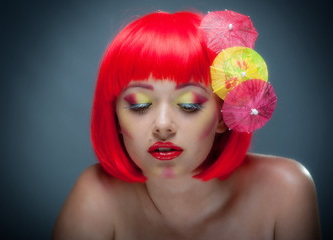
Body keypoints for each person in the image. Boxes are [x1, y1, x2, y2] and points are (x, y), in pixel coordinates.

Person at [52, 10, 320, 239]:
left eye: (189, 105)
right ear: (116, 119)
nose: (163, 125)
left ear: (224, 117)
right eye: (140, 105)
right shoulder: (95, 197)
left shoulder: (286, 191)